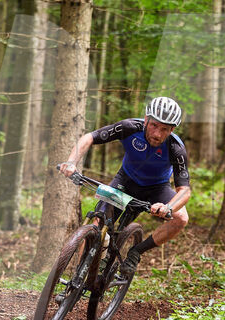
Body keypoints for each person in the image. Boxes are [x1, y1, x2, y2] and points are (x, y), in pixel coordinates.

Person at [58, 96, 191, 279]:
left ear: (172, 130)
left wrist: (168, 207)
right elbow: (89, 137)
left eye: (164, 129)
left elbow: (185, 190)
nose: (157, 134)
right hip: (125, 182)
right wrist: (71, 162)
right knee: (98, 224)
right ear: (146, 119)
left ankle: (136, 251)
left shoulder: (176, 148)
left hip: (156, 188)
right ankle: (78, 278)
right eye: (154, 125)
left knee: (181, 218)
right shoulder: (129, 127)